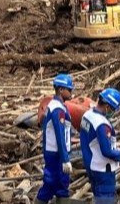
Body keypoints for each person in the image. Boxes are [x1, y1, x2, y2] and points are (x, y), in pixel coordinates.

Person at [80, 88, 120, 204]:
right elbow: (106, 151)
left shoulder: (87, 115)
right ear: (107, 107)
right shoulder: (102, 124)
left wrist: (114, 143)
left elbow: (91, 139)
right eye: (113, 109)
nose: (113, 112)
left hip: (91, 165)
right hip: (103, 170)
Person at [35, 74, 74, 204]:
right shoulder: (57, 109)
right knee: (52, 185)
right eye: (69, 89)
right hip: (56, 153)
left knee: (61, 186)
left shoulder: (56, 105)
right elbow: (59, 134)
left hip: (54, 151)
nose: (71, 92)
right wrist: (65, 159)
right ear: (61, 90)